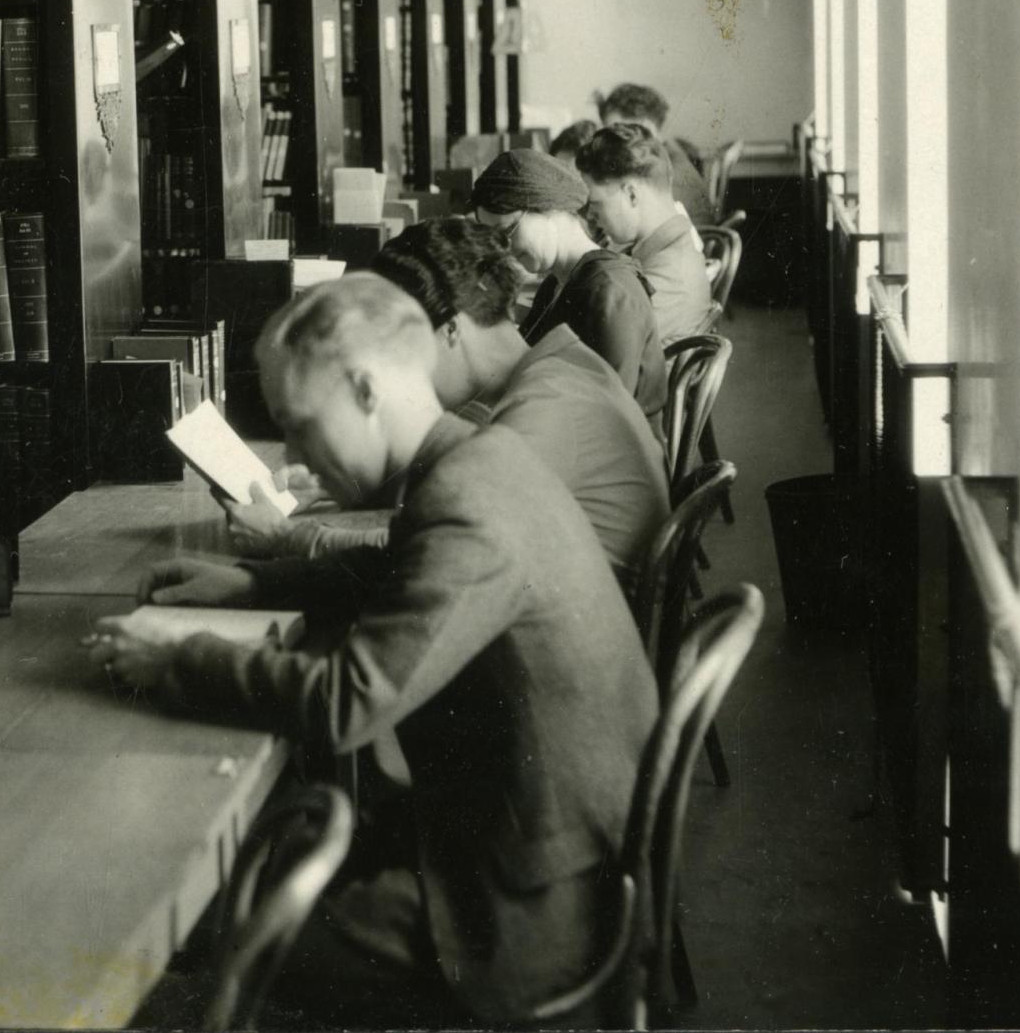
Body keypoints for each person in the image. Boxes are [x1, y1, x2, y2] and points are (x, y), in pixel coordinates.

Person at [84, 274, 657, 1027]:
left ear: (363, 390)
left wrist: (178, 658)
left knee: (233, 944)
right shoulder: (480, 460)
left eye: (299, 425)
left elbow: (346, 703)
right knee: (266, 878)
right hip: (553, 848)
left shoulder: (466, 506)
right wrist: (251, 585)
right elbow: (395, 562)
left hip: (527, 909)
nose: (292, 452)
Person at [226, 217, 670, 589]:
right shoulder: (555, 366)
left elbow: (427, 552)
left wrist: (286, 537)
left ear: (451, 330)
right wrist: (336, 479)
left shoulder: (542, 412)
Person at [470, 146, 667, 427]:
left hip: (616, 459)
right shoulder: (557, 282)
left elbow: (609, 414)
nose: (505, 251)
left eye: (507, 233)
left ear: (548, 207)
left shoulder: (610, 290)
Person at [577, 126, 715, 345]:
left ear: (631, 194)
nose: (591, 215)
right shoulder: (664, 248)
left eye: (595, 203)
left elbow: (593, 350)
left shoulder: (668, 277)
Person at [595, 81, 716, 226]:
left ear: (647, 126)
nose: (610, 146)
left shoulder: (670, 175)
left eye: (618, 134)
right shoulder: (663, 154)